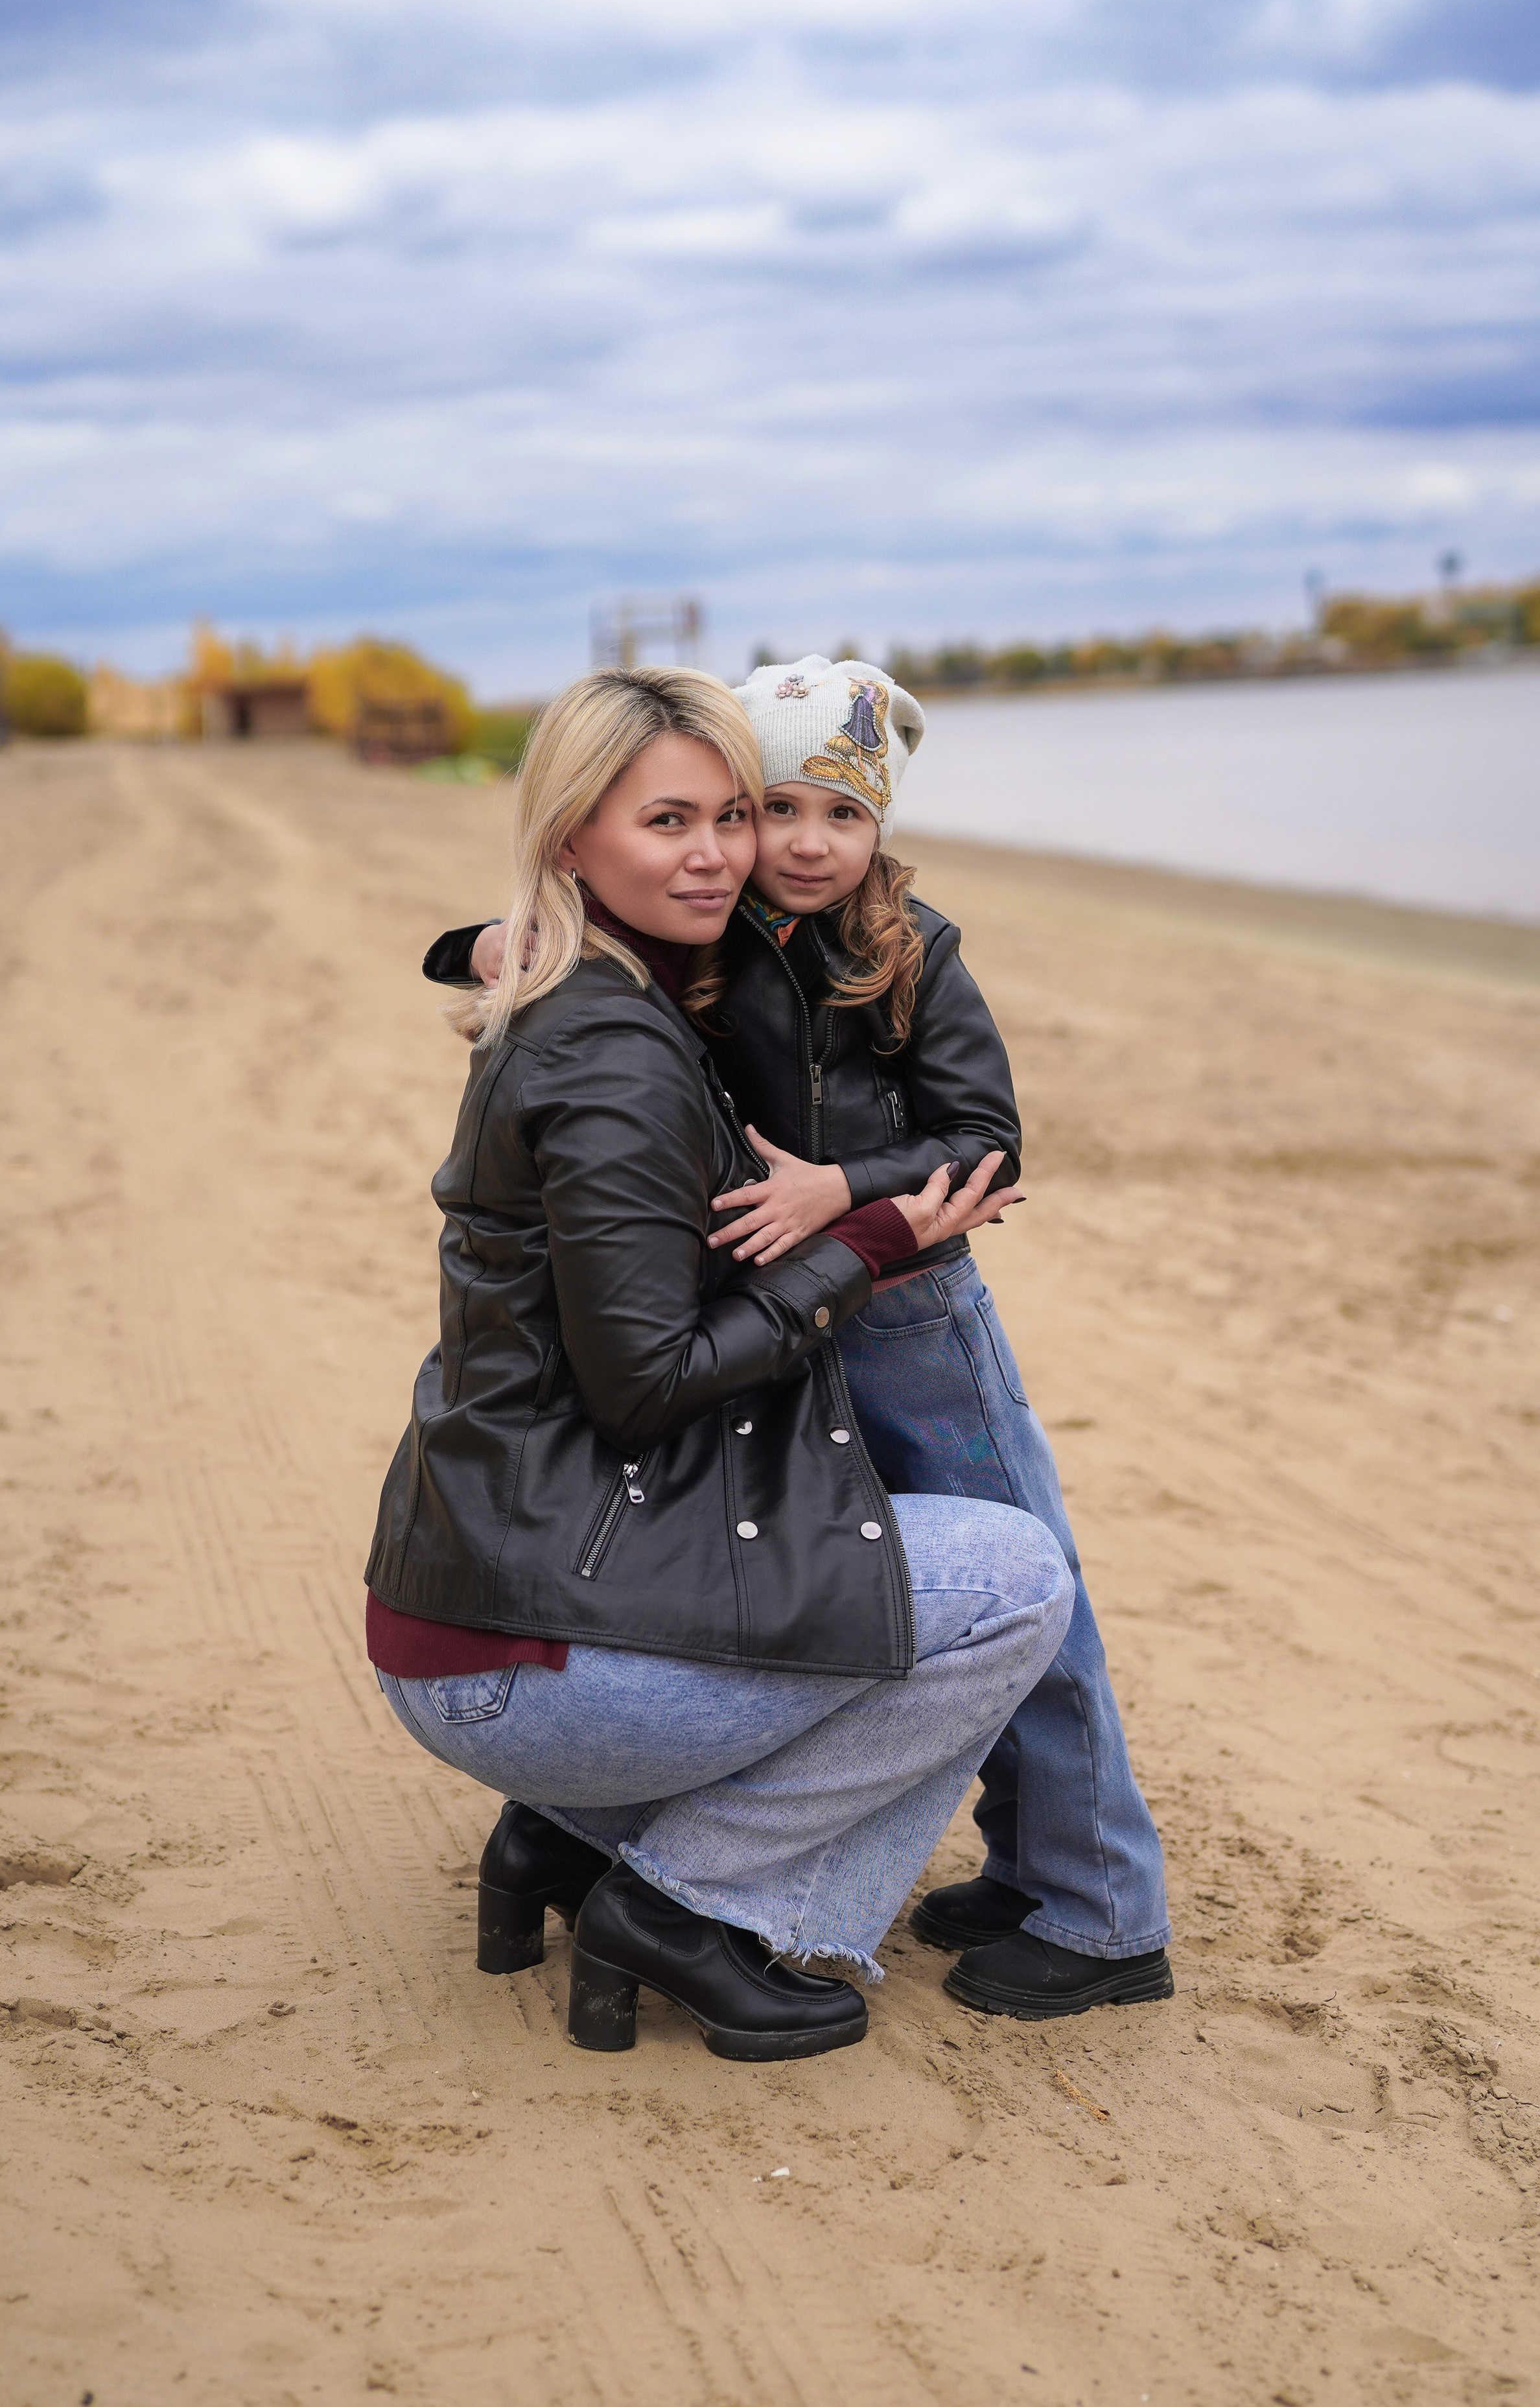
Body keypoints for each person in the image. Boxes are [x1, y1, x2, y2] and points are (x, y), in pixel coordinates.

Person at [436, 655, 1172, 2023]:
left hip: (912, 1313)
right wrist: (480, 945)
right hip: (796, 1323)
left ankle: (1096, 1906)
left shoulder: (906, 950)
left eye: (841, 814)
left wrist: (845, 1191)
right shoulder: (719, 931)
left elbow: (989, 1145)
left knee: (1034, 1593)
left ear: (879, 827)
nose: (801, 843)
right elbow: (574, 918)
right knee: (879, 1584)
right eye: (770, 809)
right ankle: (1014, 1867)